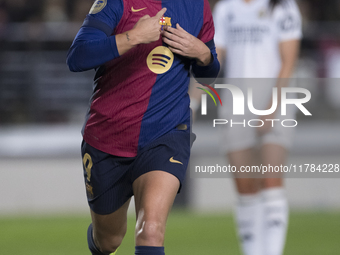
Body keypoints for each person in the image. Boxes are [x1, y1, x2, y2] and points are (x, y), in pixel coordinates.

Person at [66, 0, 219, 254]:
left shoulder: (197, 5)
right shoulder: (116, 3)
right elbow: (77, 57)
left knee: (151, 231)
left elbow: (208, 75)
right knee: (109, 240)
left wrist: (202, 53)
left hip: (167, 132)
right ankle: (99, 240)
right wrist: (134, 36)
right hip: (108, 137)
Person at [212, 0, 302, 255]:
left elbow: (289, 60)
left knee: (271, 179)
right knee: (245, 188)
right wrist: (192, 103)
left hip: (275, 99)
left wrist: (271, 107)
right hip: (236, 104)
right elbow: (214, 59)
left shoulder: (282, 7)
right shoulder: (226, 9)